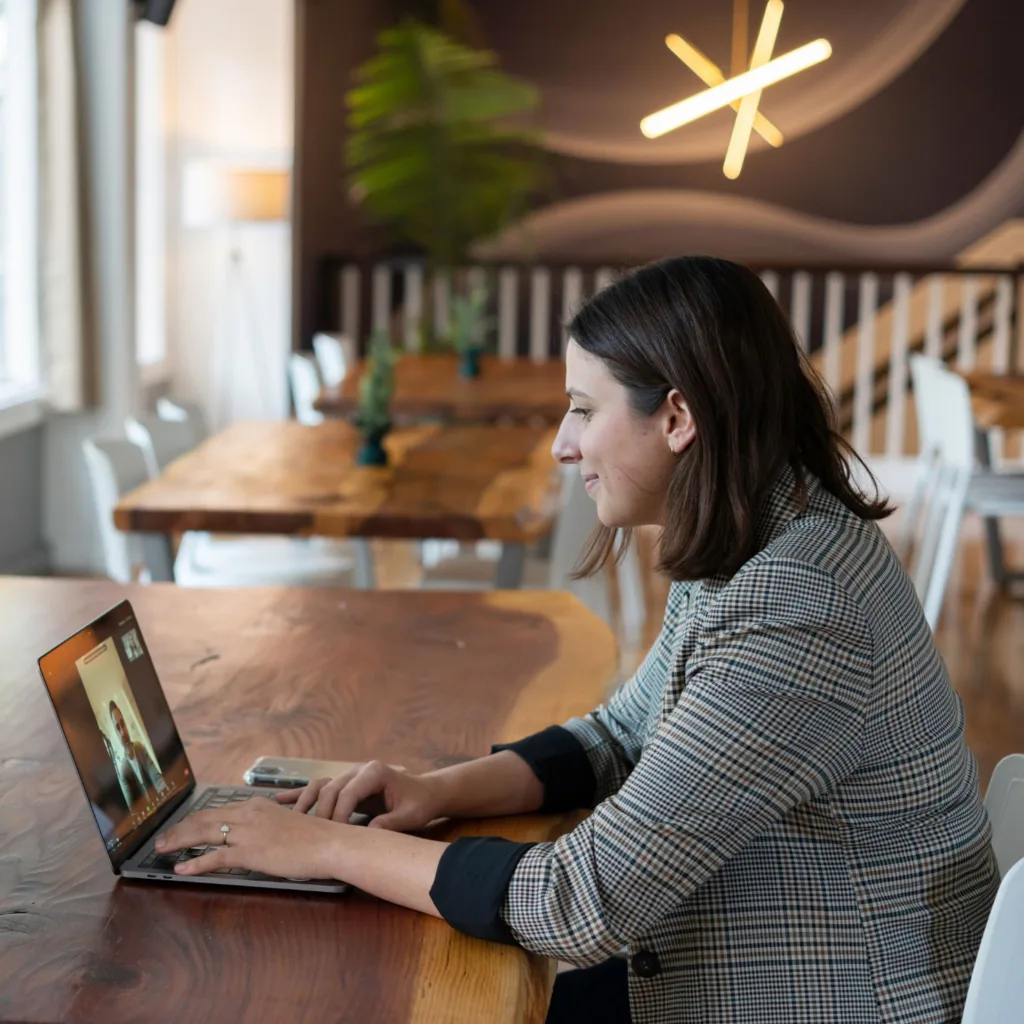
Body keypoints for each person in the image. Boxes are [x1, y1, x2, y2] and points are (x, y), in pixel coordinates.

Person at [156, 256, 998, 1024]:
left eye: (584, 411)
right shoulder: (758, 530)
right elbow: (618, 735)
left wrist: (323, 850)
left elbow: (581, 902)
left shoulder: (800, 600)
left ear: (677, 418)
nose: (562, 445)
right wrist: (435, 790)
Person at [108, 699, 164, 808]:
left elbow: (157, 777)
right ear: (115, 732)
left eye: (122, 724)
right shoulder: (123, 771)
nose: (123, 732)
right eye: (118, 728)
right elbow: (132, 809)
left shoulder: (140, 748)